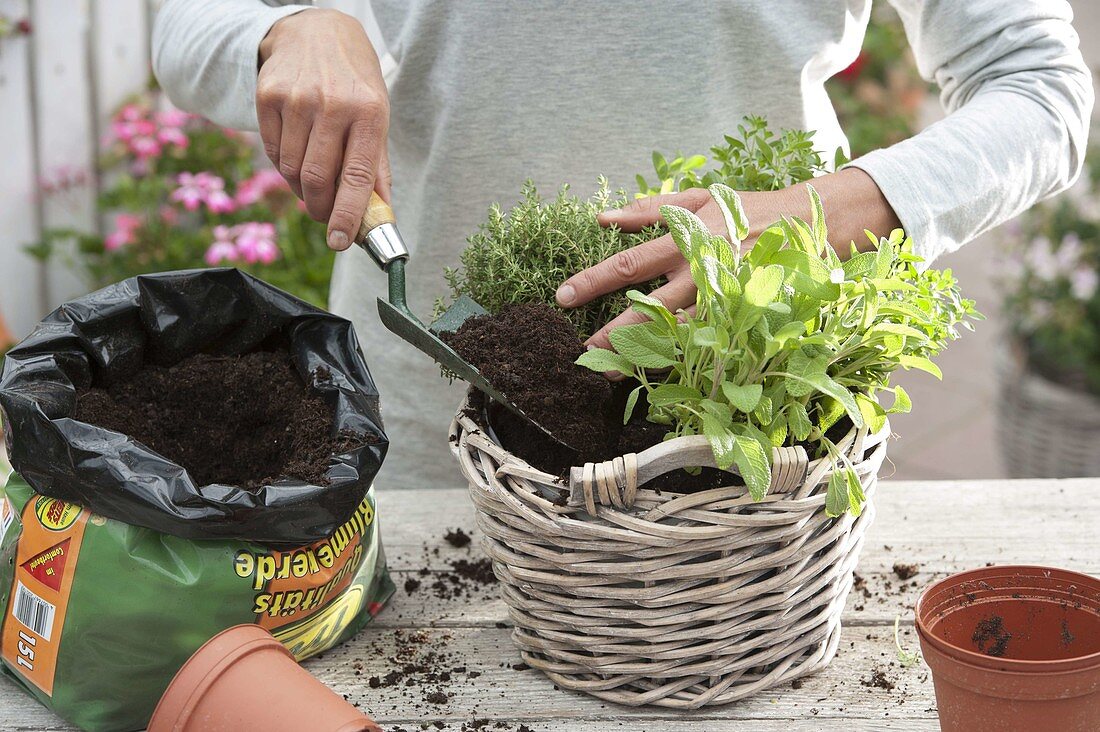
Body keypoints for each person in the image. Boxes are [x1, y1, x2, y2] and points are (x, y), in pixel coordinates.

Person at [153, 1, 1092, 490]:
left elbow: (1040, 89)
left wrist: (831, 206)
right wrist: (283, 31)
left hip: (750, 419)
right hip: (431, 424)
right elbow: (187, 24)